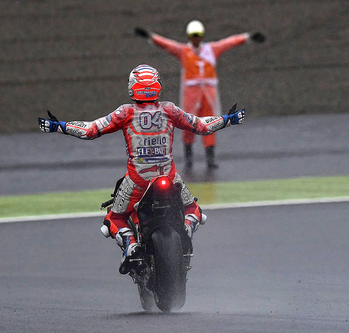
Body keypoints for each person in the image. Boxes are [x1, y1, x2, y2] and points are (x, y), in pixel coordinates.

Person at [38, 64, 244, 274]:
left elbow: (90, 130)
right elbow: (202, 126)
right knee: (194, 210)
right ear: (157, 86)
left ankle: (130, 244)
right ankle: (186, 230)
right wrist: (229, 119)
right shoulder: (169, 109)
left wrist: (59, 126)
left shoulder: (124, 112)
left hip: (137, 182)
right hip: (170, 178)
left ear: (132, 87)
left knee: (113, 218)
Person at [134, 21, 264, 170]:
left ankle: (210, 158)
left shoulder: (211, 50)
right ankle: (189, 159)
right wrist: (150, 37)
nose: (196, 38)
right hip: (191, 96)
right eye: (193, 36)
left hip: (208, 96)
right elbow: (167, 44)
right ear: (189, 36)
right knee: (189, 125)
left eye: (198, 35)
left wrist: (248, 37)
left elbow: (229, 43)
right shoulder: (183, 51)